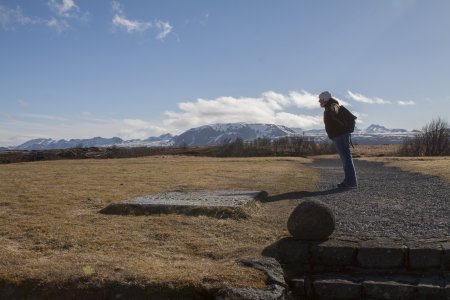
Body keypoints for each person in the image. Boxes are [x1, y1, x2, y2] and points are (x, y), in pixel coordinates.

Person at [319, 91, 357, 188]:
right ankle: (348, 181)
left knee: (346, 159)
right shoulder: (333, 105)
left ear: (326, 99)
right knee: (346, 159)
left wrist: (333, 134)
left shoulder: (332, 106)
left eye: (321, 99)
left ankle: (351, 182)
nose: (319, 101)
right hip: (340, 135)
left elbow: (334, 121)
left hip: (340, 136)